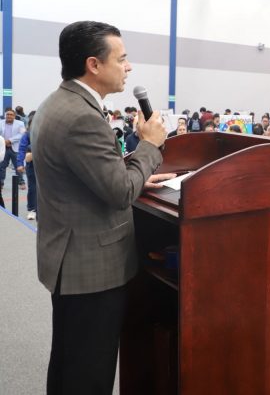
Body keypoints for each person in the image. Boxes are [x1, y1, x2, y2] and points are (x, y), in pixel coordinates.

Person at [33, 21, 172, 394]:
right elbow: (119, 192)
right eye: (122, 59)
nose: (129, 67)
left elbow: (90, 172)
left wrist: (134, 172)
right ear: (93, 65)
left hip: (70, 255)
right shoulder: (82, 116)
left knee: (68, 363)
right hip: (90, 265)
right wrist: (149, 146)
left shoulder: (60, 102)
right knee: (89, 374)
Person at [16, 111, 37, 220]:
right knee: (33, 187)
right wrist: (20, 163)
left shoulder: (47, 134)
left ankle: (43, 210)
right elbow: (22, 149)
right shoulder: (27, 135)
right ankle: (32, 209)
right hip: (32, 165)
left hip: (46, 165)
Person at [1, 108, 27, 190]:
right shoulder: (1, 123)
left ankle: (21, 182)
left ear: (14, 116)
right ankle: (1, 183)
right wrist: (3, 141)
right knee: (1, 166)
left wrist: (10, 140)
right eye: (7, 114)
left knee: (18, 166)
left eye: (11, 115)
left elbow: (21, 134)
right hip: (4, 148)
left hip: (15, 148)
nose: (9, 116)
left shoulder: (20, 123)